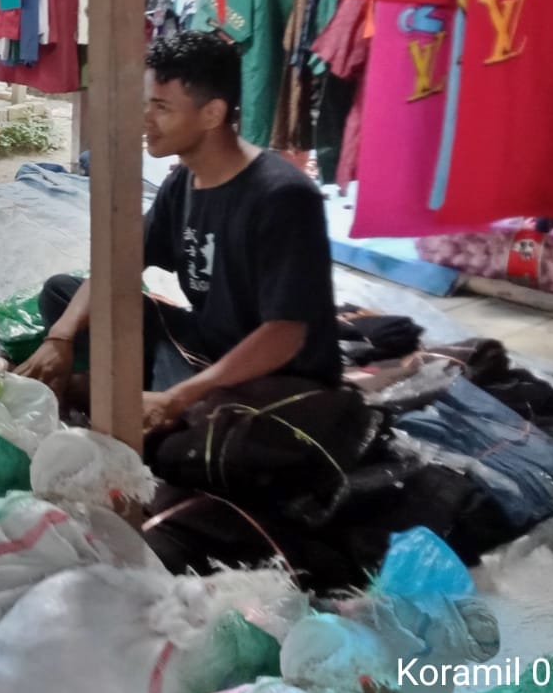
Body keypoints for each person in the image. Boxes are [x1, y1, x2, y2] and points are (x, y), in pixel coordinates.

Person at [17, 30, 341, 432]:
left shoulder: (284, 197)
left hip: (273, 377)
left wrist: (178, 397)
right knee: (61, 294)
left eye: (161, 107)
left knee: (182, 436)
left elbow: (285, 335)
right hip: (203, 344)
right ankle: (128, 393)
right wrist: (60, 338)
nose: (144, 120)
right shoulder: (184, 182)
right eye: (145, 104)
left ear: (212, 114)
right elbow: (122, 262)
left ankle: (131, 395)